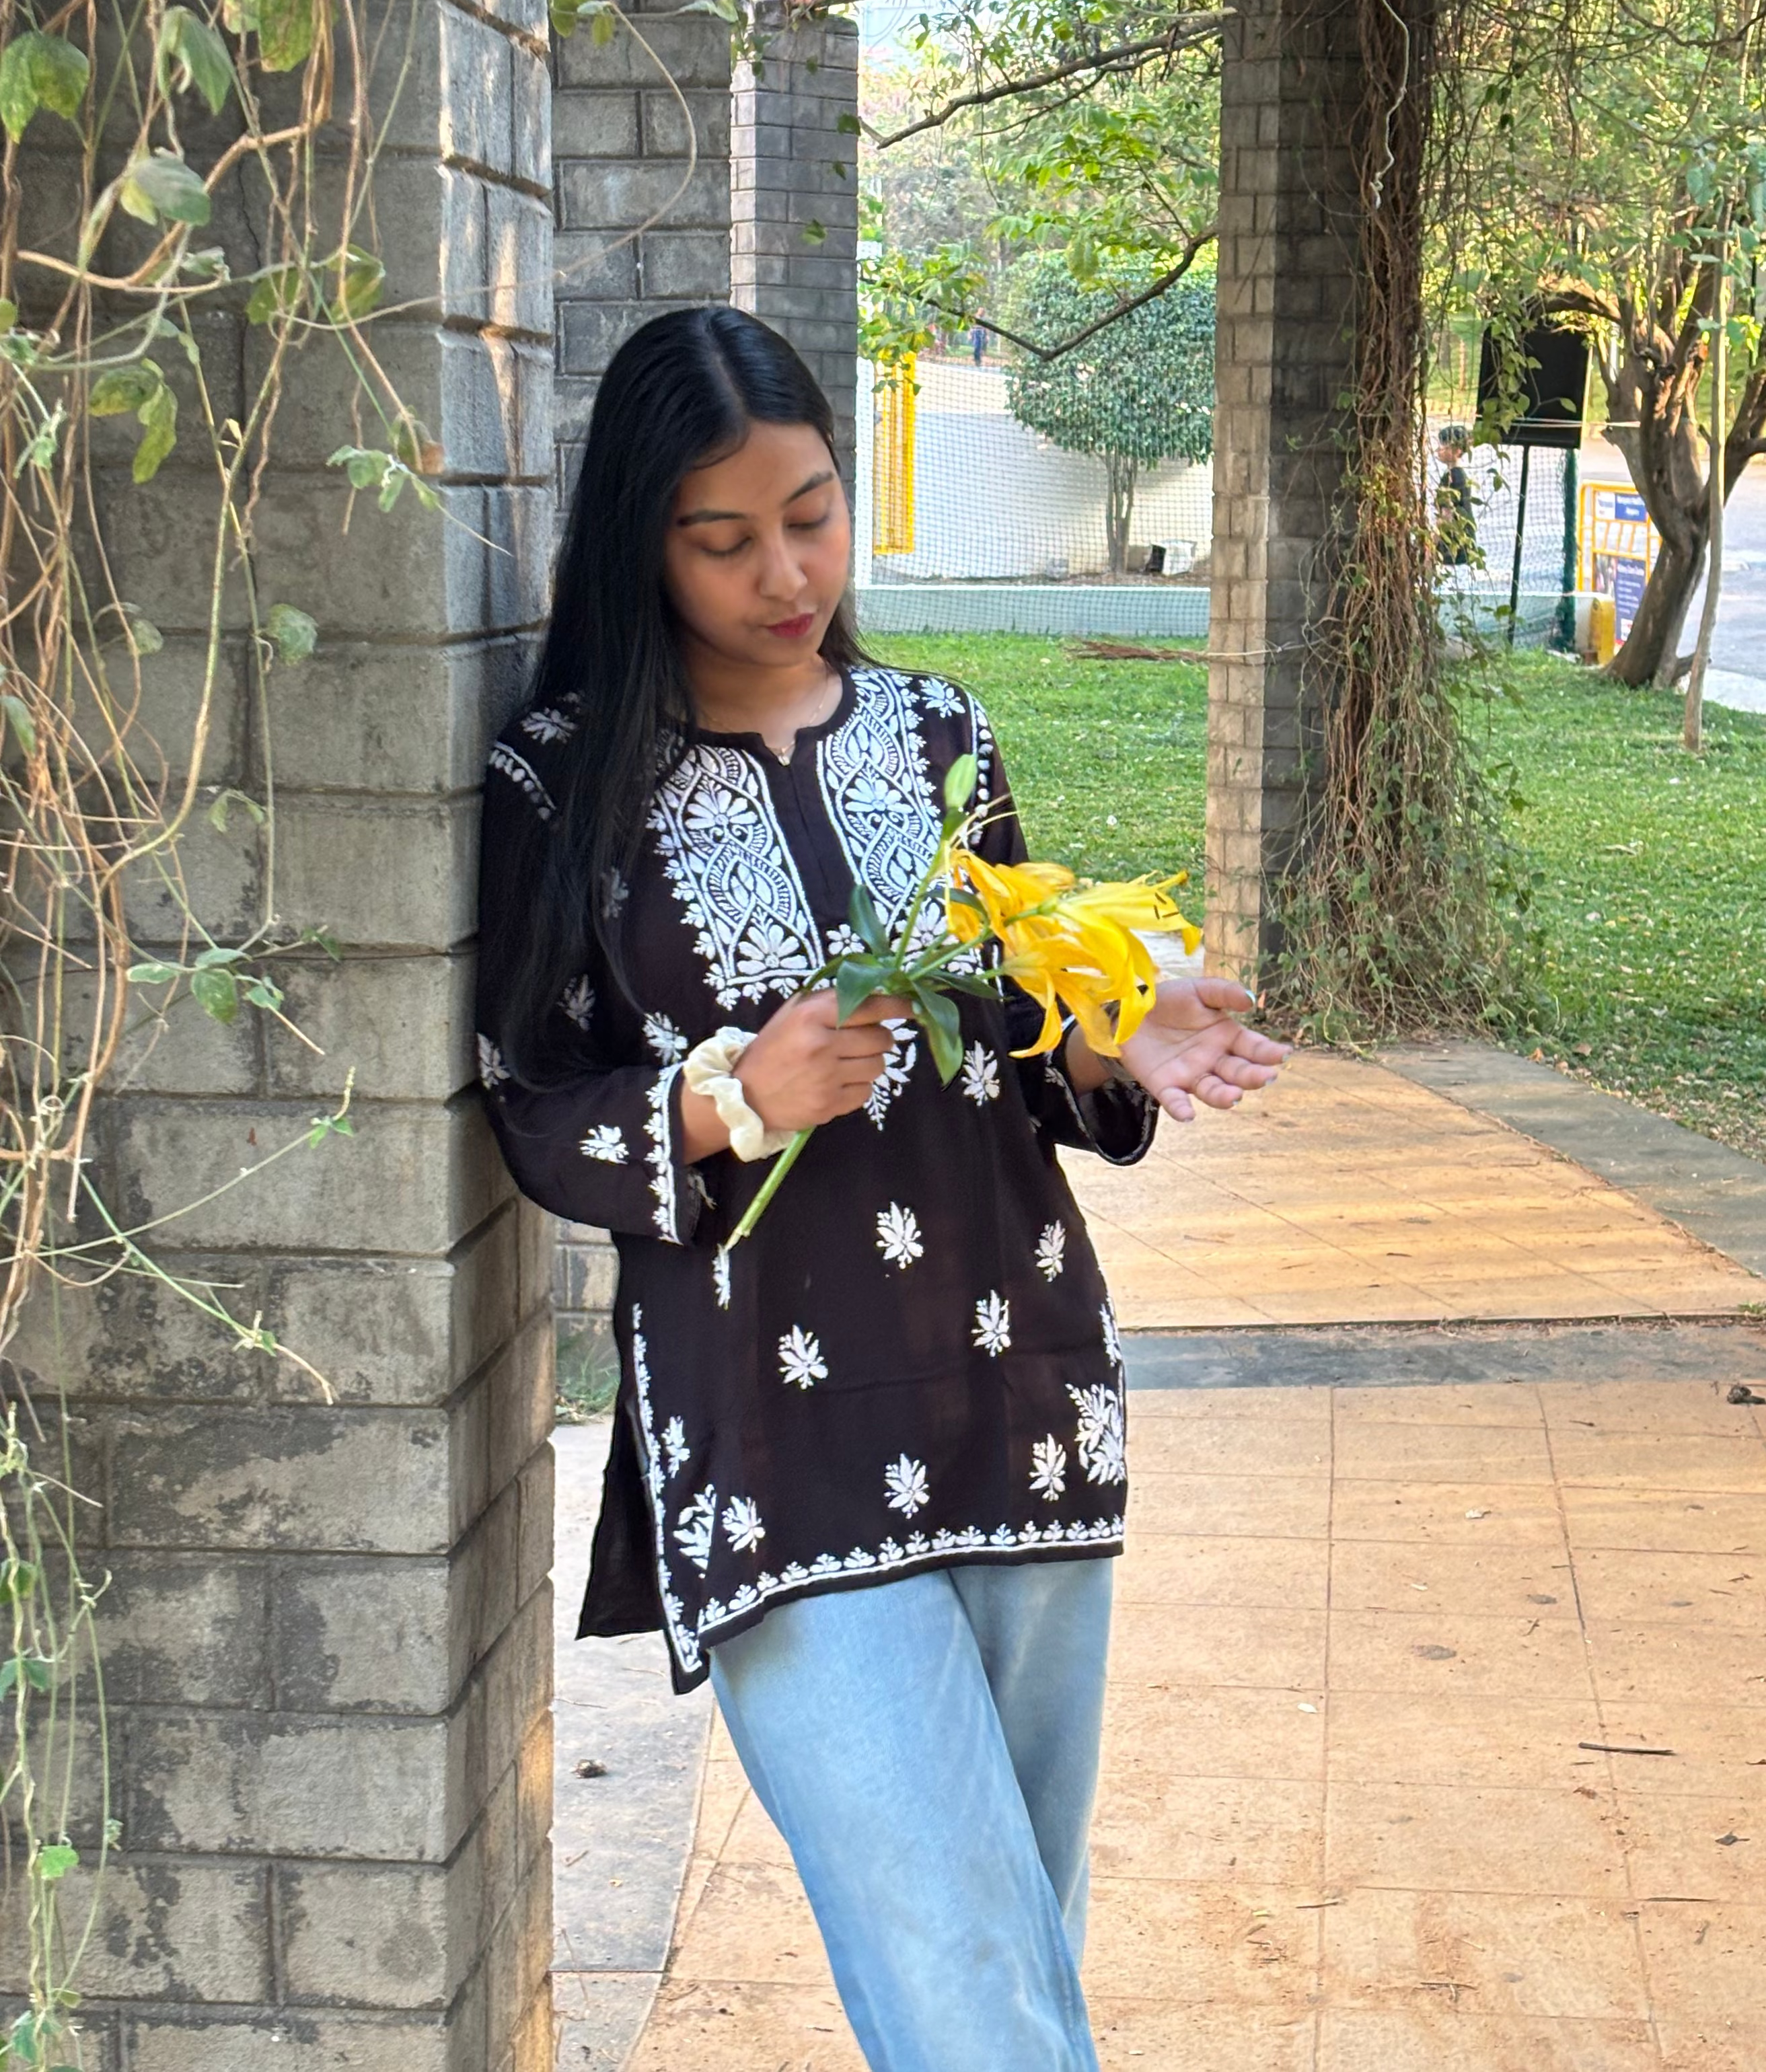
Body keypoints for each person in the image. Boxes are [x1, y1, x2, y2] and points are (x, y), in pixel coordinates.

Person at [474, 305, 1288, 2072]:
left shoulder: (942, 734)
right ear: (642, 539)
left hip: (1019, 1393)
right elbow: (531, 1108)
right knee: (969, 1986)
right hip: (772, 1435)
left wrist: (1103, 1031)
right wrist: (728, 1098)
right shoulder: (562, 782)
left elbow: (1005, 1017)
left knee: (1003, 1960)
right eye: (725, 535)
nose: (787, 568)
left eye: (815, 513)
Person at [1434, 423, 1484, 567]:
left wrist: (1432, 543)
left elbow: (1446, 516)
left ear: (1457, 450)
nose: (1439, 449)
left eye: (1444, 445)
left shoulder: (1452, 478)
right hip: (1463, 545)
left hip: (1454, 548)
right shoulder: (1460, 475)